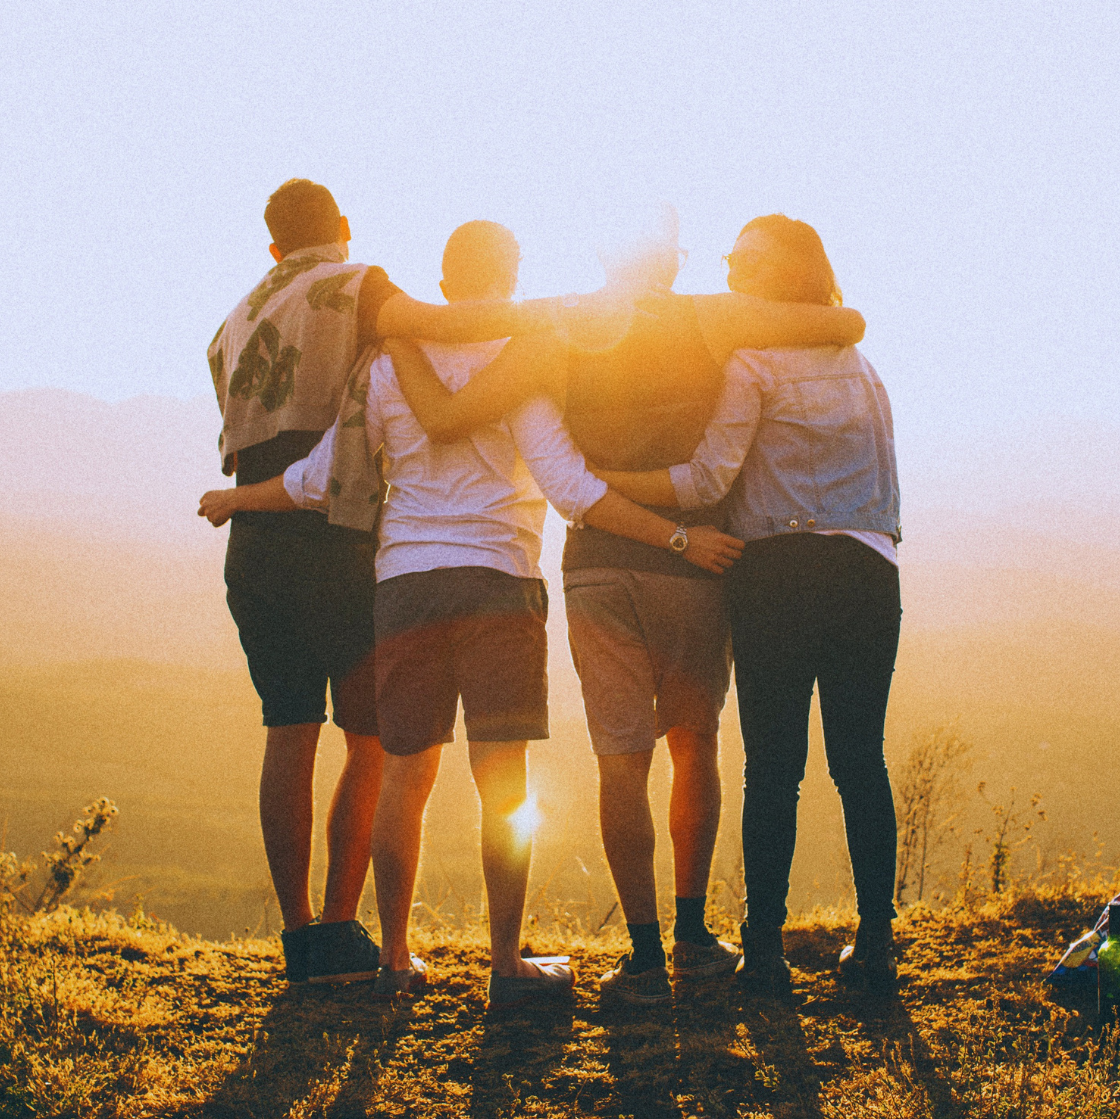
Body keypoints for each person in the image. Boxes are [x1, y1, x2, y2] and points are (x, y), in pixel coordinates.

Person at [215, 221, 744, 1008]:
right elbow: (570, 489)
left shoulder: (386, 362)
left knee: (405, 774)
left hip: (403, 586)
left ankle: (396, 960)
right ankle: (505, 967)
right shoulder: (523, 360)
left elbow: (320, 477)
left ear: (444, 276)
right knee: (503, 782)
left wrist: (236, 499)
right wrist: (673, 534)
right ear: (513, 273)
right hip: (500, 579)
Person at [383, 208, 867, 1004]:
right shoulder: (713, 316)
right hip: (695, 562)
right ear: (671, 263)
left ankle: (642, 956)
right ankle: (692, 934)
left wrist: (398, 329)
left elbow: (464, 400)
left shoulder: (561, 322)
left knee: (620, 759)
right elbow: (840, 320)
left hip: (596, 567)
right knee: (694, 743)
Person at [200, 181, 563, 986]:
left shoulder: (233, 320)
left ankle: (303, 940)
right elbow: (439, 327)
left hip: (258, 539)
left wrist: (233, 500)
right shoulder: (357, 285)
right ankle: (342, 929)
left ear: (271, 246)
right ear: (343, 229)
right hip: (337, 536)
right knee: (376, 743)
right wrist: (556, 316)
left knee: (287, 731)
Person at [595, 214, 903, 997]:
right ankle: (875, 945)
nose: (730, 268)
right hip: (869, 571)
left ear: (782, 276)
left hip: (777, 574)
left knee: (775, 769)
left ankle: (763, 950)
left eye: (745, 260)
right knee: (860, 762)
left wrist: (606, 487)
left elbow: (705, 483)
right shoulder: (863, 367)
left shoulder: (754, 363)